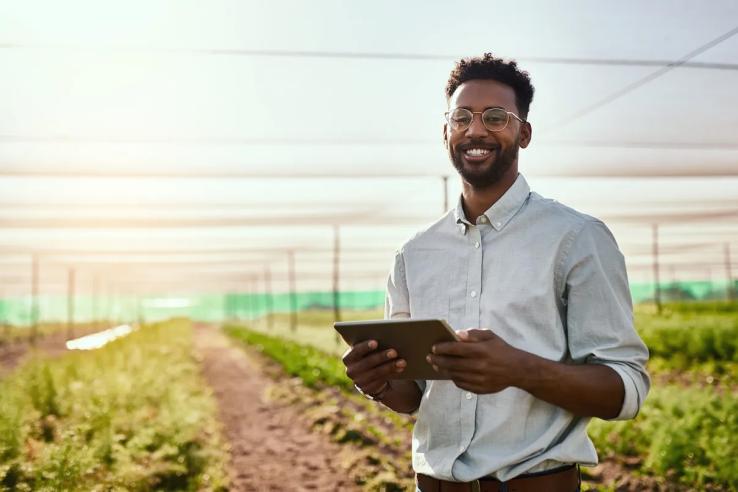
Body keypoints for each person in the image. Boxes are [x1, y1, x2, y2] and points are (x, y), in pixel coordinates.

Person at [341, 53, 650, 492]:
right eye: (462, 117)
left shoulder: (576, 238)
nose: (476, 129)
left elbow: (626, 389)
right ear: (446, 132)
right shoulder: (414, 253)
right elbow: (413, 397)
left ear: (523, 133)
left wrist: (519, 369)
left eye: (495, 117)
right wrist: (379, 382)